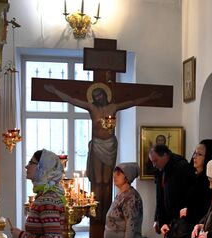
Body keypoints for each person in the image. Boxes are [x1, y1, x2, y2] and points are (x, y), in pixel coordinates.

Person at [44, 83, 160, 222]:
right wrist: (55, 90)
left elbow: (132, 102)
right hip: (98, 144)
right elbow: (72, 100)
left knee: (107, 181)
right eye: (95, 96)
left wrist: (149, 97)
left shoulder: (113, 107)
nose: (98, 98)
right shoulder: (92, 107)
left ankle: (106, 209)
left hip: (110, 145)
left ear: (105, 95)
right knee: (98, 180)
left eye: (100, 95)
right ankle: (96, 210)